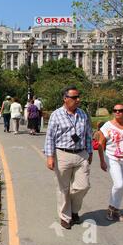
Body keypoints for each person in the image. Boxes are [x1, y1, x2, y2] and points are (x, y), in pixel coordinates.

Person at [44, 86, 93, 229]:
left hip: (81, 154)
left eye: (78, 96)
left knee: (83, 186)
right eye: (74, 97)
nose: (78, 100)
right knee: (63, 188)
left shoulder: (83, 114)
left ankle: (73, 210)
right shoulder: (56, 115)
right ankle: (65, 216)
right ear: (65, 99)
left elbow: (88, 135)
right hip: (62, 154)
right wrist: (49, 156)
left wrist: (89, 152)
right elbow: (50, 137)